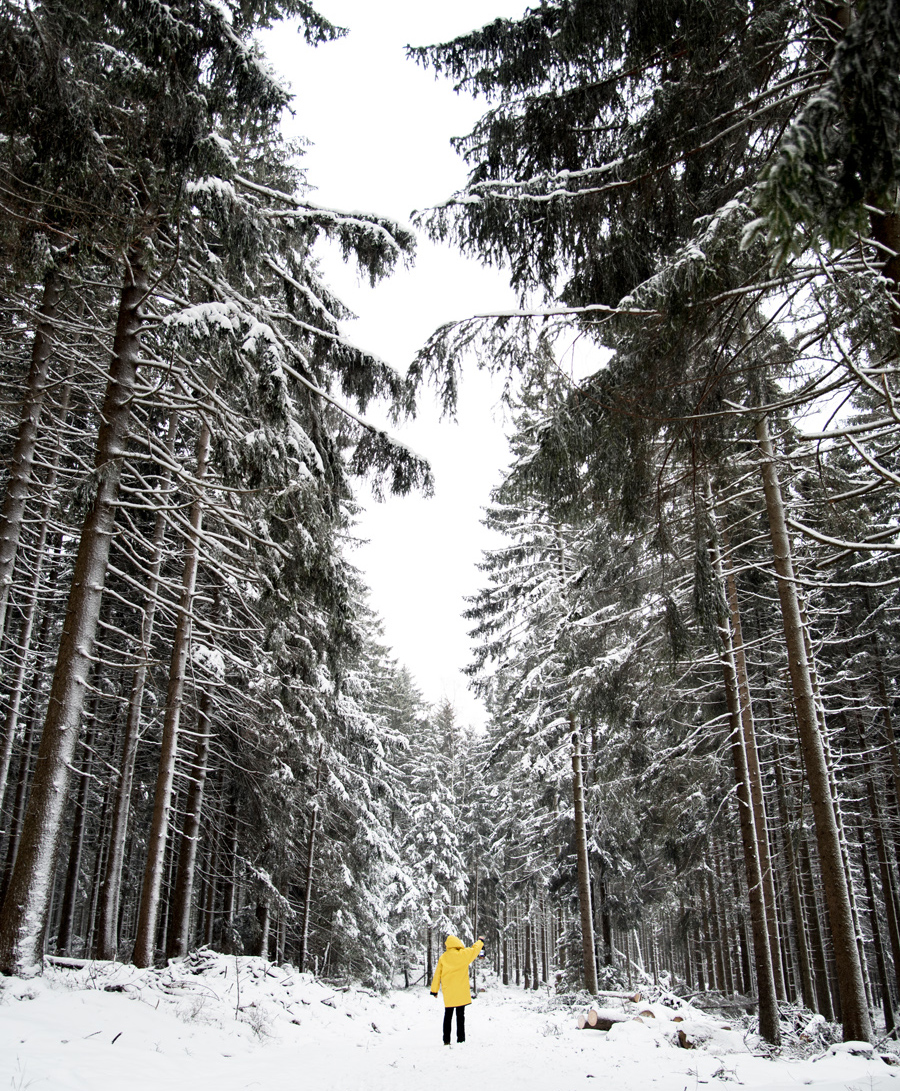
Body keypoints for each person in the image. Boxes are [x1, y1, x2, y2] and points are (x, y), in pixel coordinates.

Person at [430, 934, 484, 1045]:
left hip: (448, 991)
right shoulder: (463, 955)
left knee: (448, 1015)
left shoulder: (443, 957)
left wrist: (434, 990)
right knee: (460, 1016)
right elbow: (475, 949)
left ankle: (446, 1040)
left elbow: (437, 975)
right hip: (461, 991)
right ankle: (461, 1039)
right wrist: (480, 941)